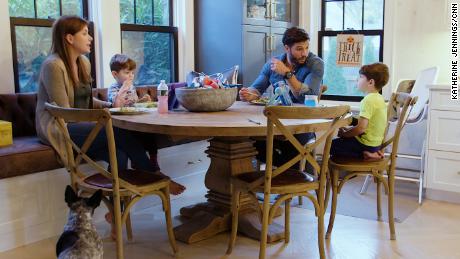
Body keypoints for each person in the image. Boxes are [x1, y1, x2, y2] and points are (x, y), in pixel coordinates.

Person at [35, 16, 183, 238]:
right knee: (117, 130)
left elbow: (83, 101)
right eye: (85, 33)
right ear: (69, 38)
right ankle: (155, 173)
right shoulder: (53, 66)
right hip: (58, 127)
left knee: (119, 154)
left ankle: (115, 215)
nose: (90, 37)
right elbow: (65, 112)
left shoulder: (83, 63)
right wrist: (103, 118)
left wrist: (110, 105)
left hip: (79, 124)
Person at [239, 27, 324, 167]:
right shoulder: (272, 64)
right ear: (287, 48)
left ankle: (290, 177)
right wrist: (248, 94)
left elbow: (308, 97)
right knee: (249, 142)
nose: (304, 53)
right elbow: (257, 89)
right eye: (299, 49)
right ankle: (276, 176)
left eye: (307, 48)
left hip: (302, 124)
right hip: (275, 122)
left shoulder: (316, 64)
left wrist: (287, 74)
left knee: (293, 148)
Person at [107, 53, 186, 193]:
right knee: (135, 138)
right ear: (115, 74)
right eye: (126, 73)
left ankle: (153, 161)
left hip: (134, 121)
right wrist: (124, 88)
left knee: (149, 133)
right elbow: (116, 105)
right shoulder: (114, 88)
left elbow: (133, 104)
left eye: (132, 72)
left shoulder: (132, 88)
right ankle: (152, 171)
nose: (131, 76)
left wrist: (143, 100)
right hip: (122, 126)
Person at [330, 62, 389, 160]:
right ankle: (371, 153)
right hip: (375, 144)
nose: (357, 79)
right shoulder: (379, 98)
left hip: (365, 145)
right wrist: (348, 130)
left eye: (361, 77)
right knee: (342, 143)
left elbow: (361, 128)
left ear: (371, 82)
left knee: (333, 145)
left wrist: (345, 134)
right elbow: (367, 125)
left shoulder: (368, 100)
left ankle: (366, 155)